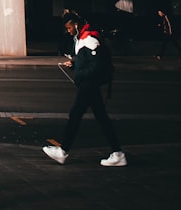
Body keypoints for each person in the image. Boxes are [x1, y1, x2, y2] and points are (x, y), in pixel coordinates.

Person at [43, 11, 127, 167]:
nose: (68, 31)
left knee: (75, 115)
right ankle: (117, 153)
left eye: (69, 28)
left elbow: (96, 65)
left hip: (89, 84)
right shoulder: (83, 38)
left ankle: (63, 151)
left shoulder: (89, 39)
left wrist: (79, 74)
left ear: (75, 25)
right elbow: (88, 60)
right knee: (101, 118)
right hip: (89, 84)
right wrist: (75, 64)